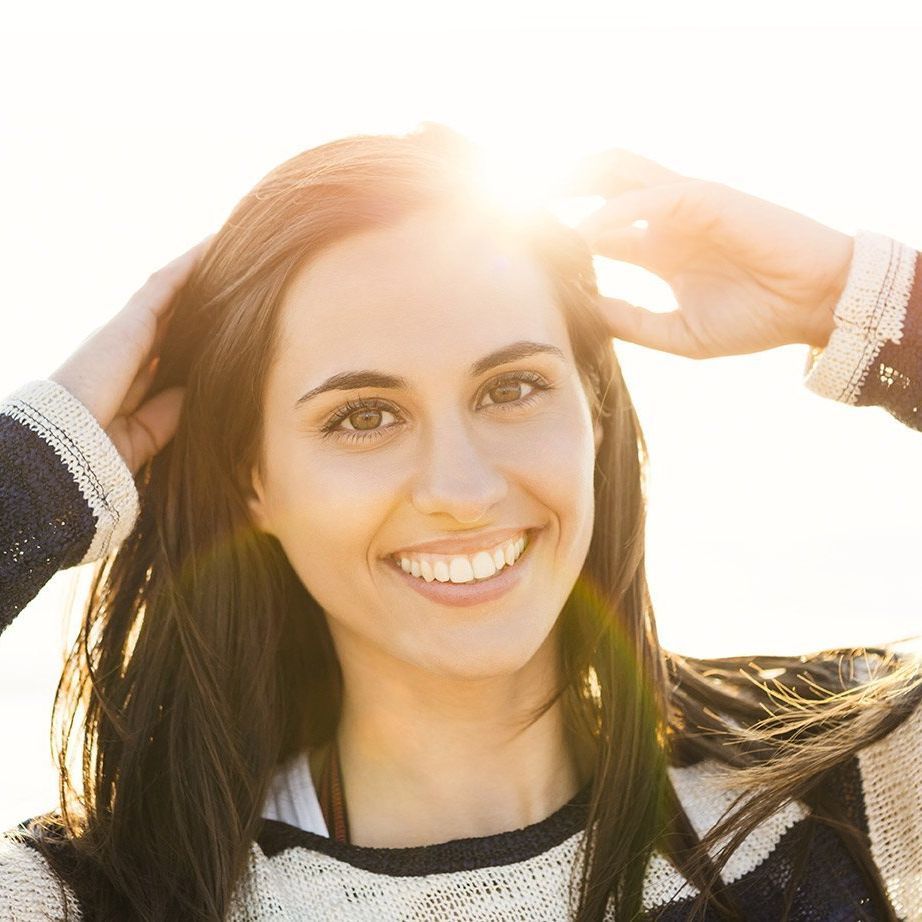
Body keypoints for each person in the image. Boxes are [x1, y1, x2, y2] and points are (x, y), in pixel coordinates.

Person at [0, 123, 919, 921]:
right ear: (253, 485)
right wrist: (37, 474)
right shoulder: (95, 903)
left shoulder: (853, 790)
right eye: (363, 416)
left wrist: (856, 299)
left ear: (594, 412)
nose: (463, 487)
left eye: (512, 388)